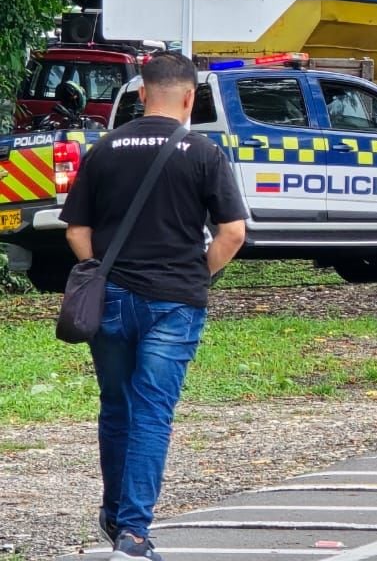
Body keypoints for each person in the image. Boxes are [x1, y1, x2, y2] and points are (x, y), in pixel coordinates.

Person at [60, 51, 247, 561]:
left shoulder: (105, 149)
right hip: (174, 304)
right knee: (152, 412)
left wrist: (100, 271)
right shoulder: (201, 151)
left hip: (112, 300)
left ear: (141, 94)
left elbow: (76, 230)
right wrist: (197, 273)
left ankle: (116, 513)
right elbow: (232, 232)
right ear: (190, 98)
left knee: (116, 405)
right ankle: (134, 534)